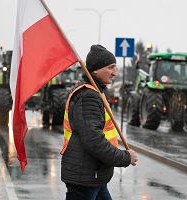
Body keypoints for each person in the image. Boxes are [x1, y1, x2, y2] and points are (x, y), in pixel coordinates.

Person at [60, 44, 138, 200]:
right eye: (111, 67)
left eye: (115, 67)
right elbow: (94, 141)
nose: (115, 72)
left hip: (93, 174)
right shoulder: (88, 96)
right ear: (95, 70)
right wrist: (125, 157)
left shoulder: (95, 93)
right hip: (84, 178)